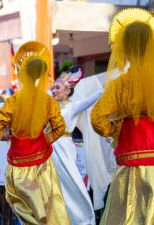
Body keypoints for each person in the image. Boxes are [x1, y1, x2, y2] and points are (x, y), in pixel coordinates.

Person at [91, 8, 154, 225]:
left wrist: (118, 129)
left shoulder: (119, 84)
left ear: (125, 48)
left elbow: (97, 118)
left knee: (127, 215)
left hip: (130, 155)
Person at [0, 41, 70, 224]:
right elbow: (60, 127)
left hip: (18, 161)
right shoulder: (48, 101)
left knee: (24, 209)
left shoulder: (13, 101)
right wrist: (45, 139)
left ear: (23, 74)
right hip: (42, 161)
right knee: (47, 205)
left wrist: (5, 136)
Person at [50, 66, 103, 225]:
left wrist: (105, 87)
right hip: (49, 148)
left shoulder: (72, 106)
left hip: (64, 147)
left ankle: (82, 219)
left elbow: (91, 99)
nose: (53, 90)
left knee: (71, 182)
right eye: (53, 87)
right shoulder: (49, 107)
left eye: (57, 87)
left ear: (67, 90)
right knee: (50, 185)